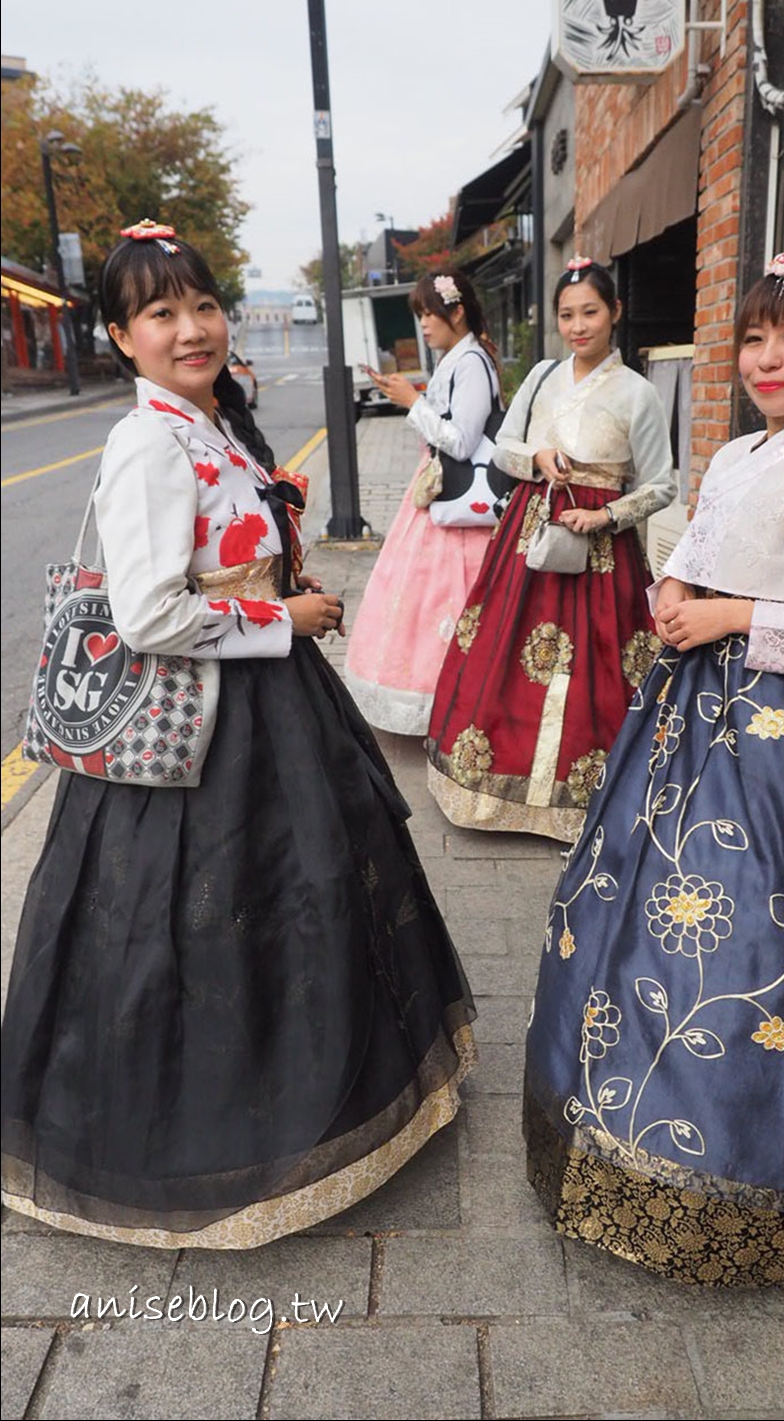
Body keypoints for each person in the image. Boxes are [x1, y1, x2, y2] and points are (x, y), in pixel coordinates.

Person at [1, 222, 476, 1248]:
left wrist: (285, 590)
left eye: (202, 305)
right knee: (190, 915)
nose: (191, 328)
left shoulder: (212, 421)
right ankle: (204, 1132)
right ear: (121, 336)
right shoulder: (146, 441)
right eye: (160, 313)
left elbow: (231, 551)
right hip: (193, 728)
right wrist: (282, 620)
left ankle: (303, 1085)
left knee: (285, 899)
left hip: (270, 710)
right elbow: (146, 617)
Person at [523, 250, 784, 1286]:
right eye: (755, 336)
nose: (769, 357)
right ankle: (620, 1135)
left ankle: (781, 1162)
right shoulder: (742, 454)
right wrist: (676, 587)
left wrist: (728, 616)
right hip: (685, 718)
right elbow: (701, 545)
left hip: (780, 742)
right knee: (646, 913)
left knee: (776, 937)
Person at [426, 257, 674, 842]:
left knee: (600, 665)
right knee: (504, 653)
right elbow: (504, 446)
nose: (578, 325)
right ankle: (495, 789)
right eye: (567, 314)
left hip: (602, 552)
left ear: (615, 313)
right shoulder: (541, 376)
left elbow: (662, 485)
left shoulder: (639, 394)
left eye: (590, 312)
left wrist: (607, 514)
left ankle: (586, 799)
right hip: (530, 537)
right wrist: (536, 458)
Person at [344, 270, 502, 734]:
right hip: (441, 494)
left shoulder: (471, 361)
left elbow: (461, 441)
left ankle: (453, 703)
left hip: (458, 505)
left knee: (447, 602)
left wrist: (411, 403)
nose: (424, 325)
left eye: (429, 315)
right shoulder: (459, 357)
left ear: (456, 312)